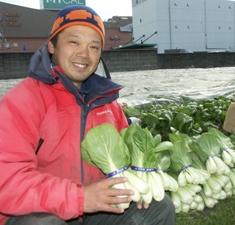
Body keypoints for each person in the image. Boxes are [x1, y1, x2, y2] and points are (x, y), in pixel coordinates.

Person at [0, 5, 175, 225]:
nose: (84, 54)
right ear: (52, 46)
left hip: (92, 211)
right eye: (74, 42)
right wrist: (81, 198)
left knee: (160, 208)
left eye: (94, 46)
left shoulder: (108, 104)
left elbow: (127, 161)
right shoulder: (22, 101)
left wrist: (137, 184)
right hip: (35, 212)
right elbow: (8, 183)